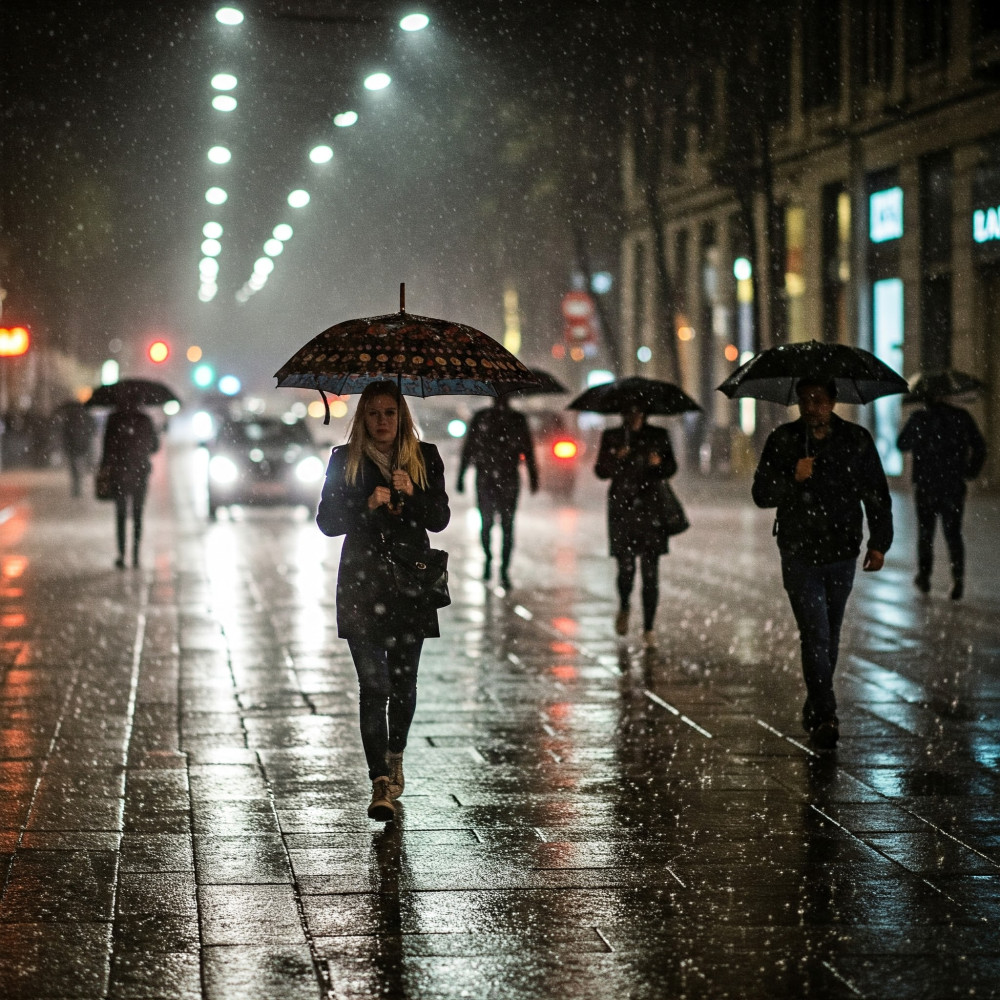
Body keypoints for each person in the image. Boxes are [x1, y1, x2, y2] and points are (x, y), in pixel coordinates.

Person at [316, 382, 450, 823]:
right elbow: (327, 522)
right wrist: (365, 503)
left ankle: (395, 753)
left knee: (403, 685)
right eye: (373, 414)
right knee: (374, 687)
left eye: (390, 413)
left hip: (410, 585)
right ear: (362, 418)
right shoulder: (344, 461)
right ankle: (379, 781)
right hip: (363, 584)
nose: (382, 421)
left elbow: (440, 518)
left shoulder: (424, 456)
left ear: (402, 415)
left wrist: (411, 492)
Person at [752, 379, 893, 749]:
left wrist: (879, 543)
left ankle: (816, 703)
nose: (811, 406)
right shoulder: (784, 440)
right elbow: (761, 494)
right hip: (799, 550)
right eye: (805, 400)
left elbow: (876, 493)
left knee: (830, 632)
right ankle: (827, 712)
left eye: (819, 400)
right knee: (815, 631)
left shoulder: (856, 440)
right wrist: (793, 478)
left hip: (842, 549)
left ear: (833, 402)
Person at [594, 407, 678, 647]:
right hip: (623, 508)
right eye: (629, 411)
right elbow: (600, 470)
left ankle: (649, 627)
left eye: (638, 411)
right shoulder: (613, 436)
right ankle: (624, 605)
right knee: (626, 568)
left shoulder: (658, 436)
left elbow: (671, 468)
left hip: (652, 509)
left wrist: (658, 463)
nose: (634, 415)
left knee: (651, 572)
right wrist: (616, 458)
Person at [897, 395, 986, 600]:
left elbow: (901, 444)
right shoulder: (961, 417)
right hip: (953, 485)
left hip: (926, 486)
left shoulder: (919, 418)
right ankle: (958, 579)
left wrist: (918, 433)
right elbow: (979, 445)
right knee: (953, 533)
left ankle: (924, 577)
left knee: (926, 534)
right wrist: (970, 471)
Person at [456, 394, 538, 589]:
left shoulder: (514, 419)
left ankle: (502, 570)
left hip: (503, 478)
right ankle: (491, 560)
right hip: (489, 478)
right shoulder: (485, 418)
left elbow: (527, 449)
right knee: (490, 524)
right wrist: (461, 475)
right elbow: (469, 448)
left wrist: (533, 476)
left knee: (505, 525)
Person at [98, 390, 159, 569]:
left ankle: (121, 555)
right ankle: (136, 555)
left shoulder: (114, 419)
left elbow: (106, 447)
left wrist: (105, 467)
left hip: (119, 472)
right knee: (138, 514)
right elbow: (155, 446)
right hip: (139, 471)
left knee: (121, 514)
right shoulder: (145, 420)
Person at [57, 400, 95, 497]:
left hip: (72, 447)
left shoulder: (69, 418)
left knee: (74, 467)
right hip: (83, 446)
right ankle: (79, 484)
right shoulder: (86, 416)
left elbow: (64, 434)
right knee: (80, 465)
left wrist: (65, 445)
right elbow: (92, 430)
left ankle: (76, 485)